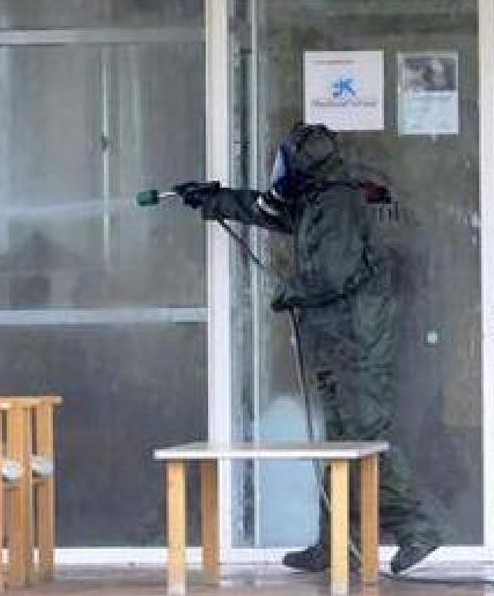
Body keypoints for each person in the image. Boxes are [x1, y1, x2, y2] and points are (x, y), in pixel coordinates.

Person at [177, 123, 441, 574]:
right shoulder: (321, 198)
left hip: (356, 339)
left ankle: (417, 527)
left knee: (364, 438)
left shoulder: (337, 203)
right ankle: (337, 542)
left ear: (303, 164)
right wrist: (214, 199)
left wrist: (290, 291)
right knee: (343, 443)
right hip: (341, 336)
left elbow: (333, 275)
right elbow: (272, 213)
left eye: (287, 161)